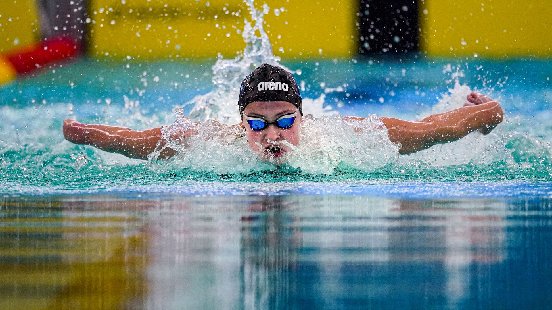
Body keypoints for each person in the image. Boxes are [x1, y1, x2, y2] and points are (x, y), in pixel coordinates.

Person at [63, 63, 504, 162]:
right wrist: (86, 134)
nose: (272, 134)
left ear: (302, 117)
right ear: (241, 122)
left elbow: (429, 129)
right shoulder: (210, 143)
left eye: (284, 120)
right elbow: (139, 141)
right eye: (257, 122)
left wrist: (486, 116)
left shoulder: (352, 139)